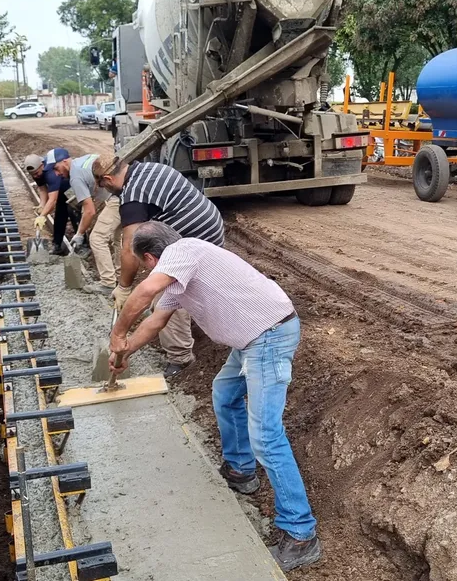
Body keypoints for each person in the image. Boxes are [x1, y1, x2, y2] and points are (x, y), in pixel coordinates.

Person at [108, 222, 321, 572]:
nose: (149, 270)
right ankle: (241, 470)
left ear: (151, 257)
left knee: (266, 437)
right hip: (251, 339)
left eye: (146, 265)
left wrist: (117, 332)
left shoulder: (184, 251)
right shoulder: (181, 277)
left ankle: (301, 533)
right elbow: (154, 322)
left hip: (268, 336)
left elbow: (145, 292)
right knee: (224, 392)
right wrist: (126, 350)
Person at [93, 157, 224, 377]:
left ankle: (181, 358)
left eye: (103, 185)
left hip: (195, 238)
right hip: (211, 228)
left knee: (164, 296)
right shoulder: (148, 169)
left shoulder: (132, 196)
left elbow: (129, 249)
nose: (104, 190)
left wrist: (124, 288)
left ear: (107, 178)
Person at [24, 150, 72, 255]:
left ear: (42, 166)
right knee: (60, 215)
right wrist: (41, 205)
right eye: (32, 175)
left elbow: (52, 200)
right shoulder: (36, 172)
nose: (35, 176)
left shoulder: (50, 173)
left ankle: (82, 243)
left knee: (73, 211)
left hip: (69, 186)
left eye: (36, 173)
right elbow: (42, 189)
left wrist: (42, 216)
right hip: (56, 190)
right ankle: (57, 245)